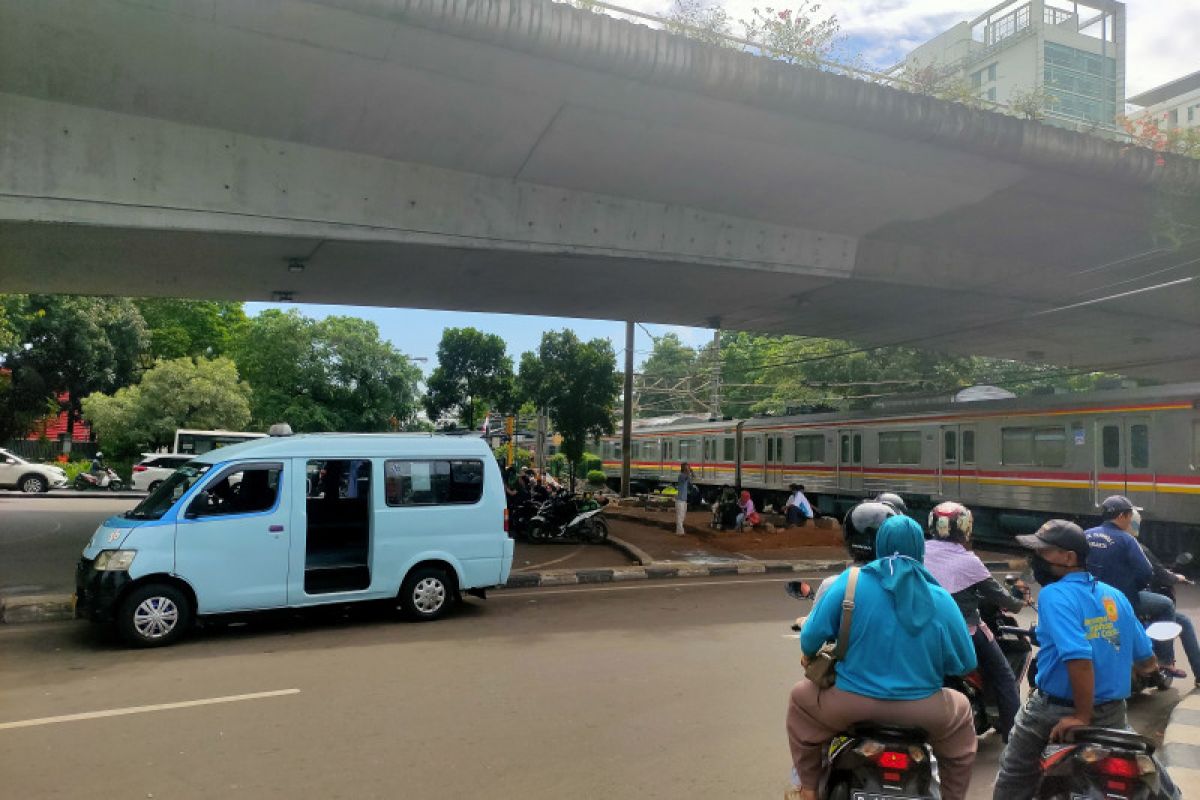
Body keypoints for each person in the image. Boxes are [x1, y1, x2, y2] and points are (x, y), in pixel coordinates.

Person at [786, 515, 978, 800]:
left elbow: (810, 638)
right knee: (962, 715)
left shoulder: (849, 584)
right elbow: (965, 663)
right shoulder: (940, 597)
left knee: (800, 699)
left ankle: (809, 788)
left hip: (850, 705)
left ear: (879, 545)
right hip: (924, 711)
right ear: (920, 550)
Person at [993, 520, 1170, 800]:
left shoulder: (1054, 594)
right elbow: (1145, 657)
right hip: (1112, 714)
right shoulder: (1115, 596)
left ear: (1069, 557)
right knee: (1158, 780)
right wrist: (1148, 670)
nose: (1036, 558)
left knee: (1015, 773)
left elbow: (1078, 659)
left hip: (1056, 713)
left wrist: (1082, 716)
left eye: (1043, 551)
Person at [923, 501, 1025, 741]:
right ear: (965, 527)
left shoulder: (919, 552)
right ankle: (1014, 737)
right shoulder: (969, 561)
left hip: (923, 629)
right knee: (1003, 675)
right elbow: (1006, 600)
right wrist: (1019, 600)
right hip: (965, 630)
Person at [1083, 495, 1178, 674]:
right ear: (1121, 516)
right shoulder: (1127, 540)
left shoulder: (1086, 534)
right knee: (1166, 605)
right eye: (1129, 515)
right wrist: (1136, 586)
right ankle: (1165, 660)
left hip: (1089, 597)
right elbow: (1146, 572)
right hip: (1122, 601)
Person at [1130, 509, 1200, 683]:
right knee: (1175, 613)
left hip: (1100, 598)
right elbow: (1154, 571)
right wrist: (1175, 577)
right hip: (1128, 598)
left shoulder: (1094, 539)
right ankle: (1167, 661)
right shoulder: (1132, 545)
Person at [674, 462, 694, 536]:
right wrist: (689, 471)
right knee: (680, 516)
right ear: (684, 468)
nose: (688, 468)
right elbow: (687, 477)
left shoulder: (685, 476)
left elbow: (692, 479)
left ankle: (679, 530)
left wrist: (692, 471)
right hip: (680, 500)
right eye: (687, 467)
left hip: (684, 500)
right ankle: (680, 532)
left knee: (683, 516)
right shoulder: (681, 476)